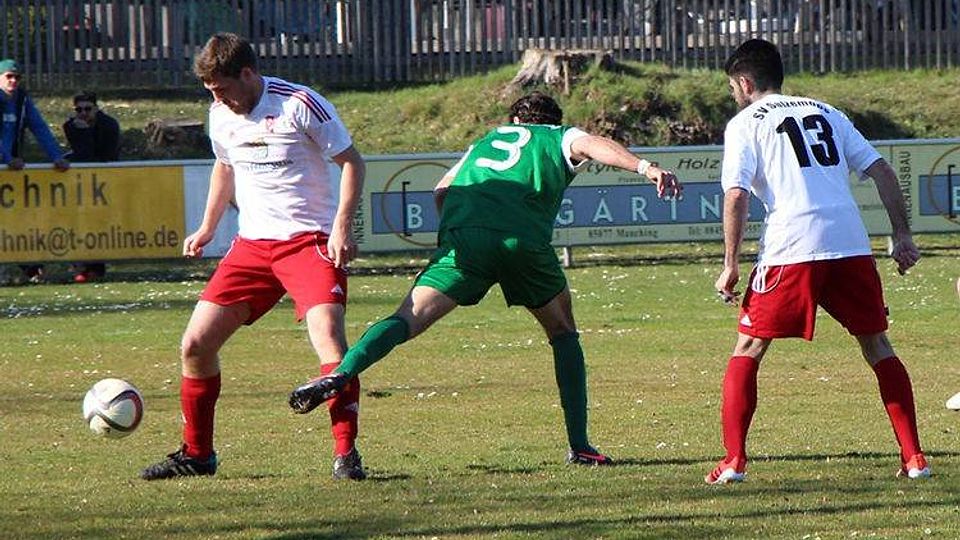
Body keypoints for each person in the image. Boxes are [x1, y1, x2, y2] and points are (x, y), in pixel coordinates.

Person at [288, 91, 682, 466]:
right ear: (553, 122)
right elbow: (594, 144)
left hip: (463, 240)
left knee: (407, 317)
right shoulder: (560, 136)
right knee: (563, 332)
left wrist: (461, 230)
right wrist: (646, 168)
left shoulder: (487, 141)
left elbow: (441, 190)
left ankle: (341, 373)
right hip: (520, 239)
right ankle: (580, 446)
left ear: (514, 120)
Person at [140, 33, 367, 481]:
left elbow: (353, 163)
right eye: (210, 92)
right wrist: (208, 227)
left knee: (330, 343)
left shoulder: (300, 104)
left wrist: (341, 226)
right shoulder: (219, 114)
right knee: (195, 345)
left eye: (222, 88)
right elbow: (225, 167)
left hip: (309, 243)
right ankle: (198, 454)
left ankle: (346, 454)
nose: (218, 98)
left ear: (248, 73)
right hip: (252, 247)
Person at [708, 39, 928, 484]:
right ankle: (915, 458)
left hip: (792, 246)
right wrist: (902, 234)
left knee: (749, 348)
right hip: (849, 243)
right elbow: (882, 170)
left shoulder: (745, 122)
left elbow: (736, 194)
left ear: (745, 82)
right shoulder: (827, 111)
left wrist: (730, 263)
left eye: (733, 86)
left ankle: (733, 462)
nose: (734, 93)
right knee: (878, 346)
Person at [0, 58, 70, 284]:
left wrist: (56, 156)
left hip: (10, 170)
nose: (13, 81)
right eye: (8, 76)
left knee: (17, 219)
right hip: (8, 164)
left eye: (16, 77)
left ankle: (31, 268)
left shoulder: (21, 100)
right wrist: (8, 159)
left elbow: (39, 128)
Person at [63, 90, 121, 283]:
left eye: (88, 109)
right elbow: (83, 154)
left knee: (99, 225)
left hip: (105, 182)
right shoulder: (71, 126)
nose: (83, 113)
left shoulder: (109, 126)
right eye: (79, 110)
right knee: (77, 224)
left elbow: (106, 156)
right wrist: (83, 132)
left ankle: (96, 268)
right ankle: (79, 266)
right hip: (79, 185)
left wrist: (86, 133)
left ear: (96, 109)